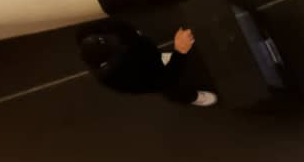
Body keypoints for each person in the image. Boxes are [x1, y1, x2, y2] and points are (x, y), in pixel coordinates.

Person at [77, 19, 220, 108]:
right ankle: (191, 98)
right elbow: (165, 79)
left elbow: (115, 25)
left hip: (148, 55)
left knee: (158, 61)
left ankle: (160, 60)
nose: (116, 39)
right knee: (172, 89)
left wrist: (133, 32)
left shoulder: (88, 33)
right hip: (152, 73)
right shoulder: (121, 77)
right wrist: (180, 51)